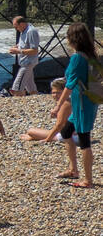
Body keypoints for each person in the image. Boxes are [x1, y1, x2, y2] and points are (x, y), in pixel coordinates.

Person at [54, 22, 101, 188]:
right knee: (66, 132)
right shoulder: (91, 55)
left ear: (72, 38)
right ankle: (73, 169)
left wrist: (58, 106)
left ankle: (88, 180)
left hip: (82, 104)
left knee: (84, 140)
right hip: (90, 101)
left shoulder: (77, 58)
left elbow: (69, 85)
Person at [20, 79, 74, 144]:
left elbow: (59, 125)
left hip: (69, 136)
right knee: (34, 132)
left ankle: (36, 137)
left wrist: (47, 139)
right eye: (53, 93)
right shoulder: (71, 100)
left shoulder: (65, 104)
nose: (55, 95)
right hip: (74, 133)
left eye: (58, 93)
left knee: (31, 131)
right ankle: (35, 137)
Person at [8, 14, 40, 95]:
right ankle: (36, 102)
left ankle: (18, 106)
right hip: (25, 62)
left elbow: (35, 50)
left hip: (28, 63)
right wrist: (16, 47)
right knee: (31, 89)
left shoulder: (31, 31)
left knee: (16, 88)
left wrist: (18, 51)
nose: (16, 29)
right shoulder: (24, 31)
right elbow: (24, 44)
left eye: (16, 27)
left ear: (21, 24)